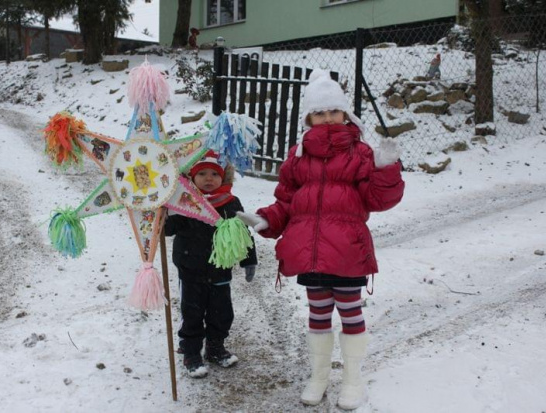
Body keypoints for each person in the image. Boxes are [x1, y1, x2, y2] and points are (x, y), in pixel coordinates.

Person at [237, 70, 404, 410]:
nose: (328, 118)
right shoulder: (297, 157)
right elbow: (287, 201)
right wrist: (268, 218)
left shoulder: (360, 153)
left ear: (345, 114)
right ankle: (319, 376)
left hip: (347, 251)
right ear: (309, 118)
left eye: (333, 111)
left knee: (350, 311)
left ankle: (353, 381)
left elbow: (378, 200)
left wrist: (385, 169)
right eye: (320, 113)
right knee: (317, 313)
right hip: (310, 252)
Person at [165, 150, 258, 378]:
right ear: (192, 177)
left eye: (214, 174)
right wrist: (162, 213)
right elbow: (168, 230)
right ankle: (191, 352)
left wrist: (249, 260)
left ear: (223, 177)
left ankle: (215, 347)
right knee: (192, 313)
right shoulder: (183, 201)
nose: (209, 179)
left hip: (220, 269)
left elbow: (242, 232)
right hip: (190, 268)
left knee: (221, 313)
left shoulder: (230, 202)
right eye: (202, 174)